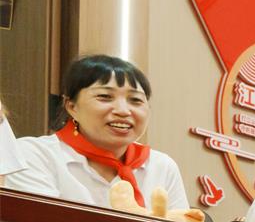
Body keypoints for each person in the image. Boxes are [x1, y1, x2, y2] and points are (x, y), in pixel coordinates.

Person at [9, 55, 193, 212]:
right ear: (72, 107)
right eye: (105, 97)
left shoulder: (162, 166)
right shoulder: (32, 155)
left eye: (135, 100)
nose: (123, 111)